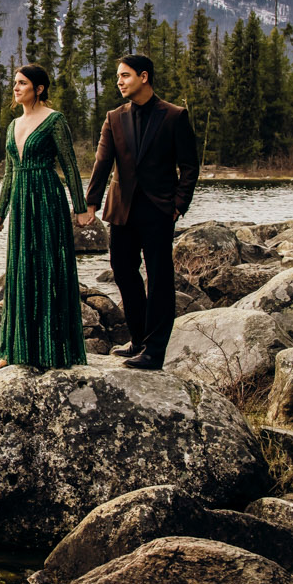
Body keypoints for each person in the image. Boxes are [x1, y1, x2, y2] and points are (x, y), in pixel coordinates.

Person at [85, 54, 199, 370]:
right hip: (122, 209)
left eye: (125, 75)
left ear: (144, 77)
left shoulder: (174, 116)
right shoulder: (114, 117)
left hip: (160, 209)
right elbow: (102, 163)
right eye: (118, 76)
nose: (119, 81)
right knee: (123, 270)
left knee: (160, 279)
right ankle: (138, 339)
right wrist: (90, 203)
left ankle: (155, 351)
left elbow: (190, 167)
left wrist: (178, 205)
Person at [0, 64, 95, 369]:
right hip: (21, 202)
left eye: (22, 83)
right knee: (20, 270)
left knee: (49, 270)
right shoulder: (13, 126)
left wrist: (80, 208)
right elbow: (10, 172)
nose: (16, 88)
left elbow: (71, 165)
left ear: (39, 89)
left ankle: (53, 348)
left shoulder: (54, 121)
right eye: (15, 83)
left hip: (47, 198)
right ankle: (13, 349)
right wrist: (1, 211)